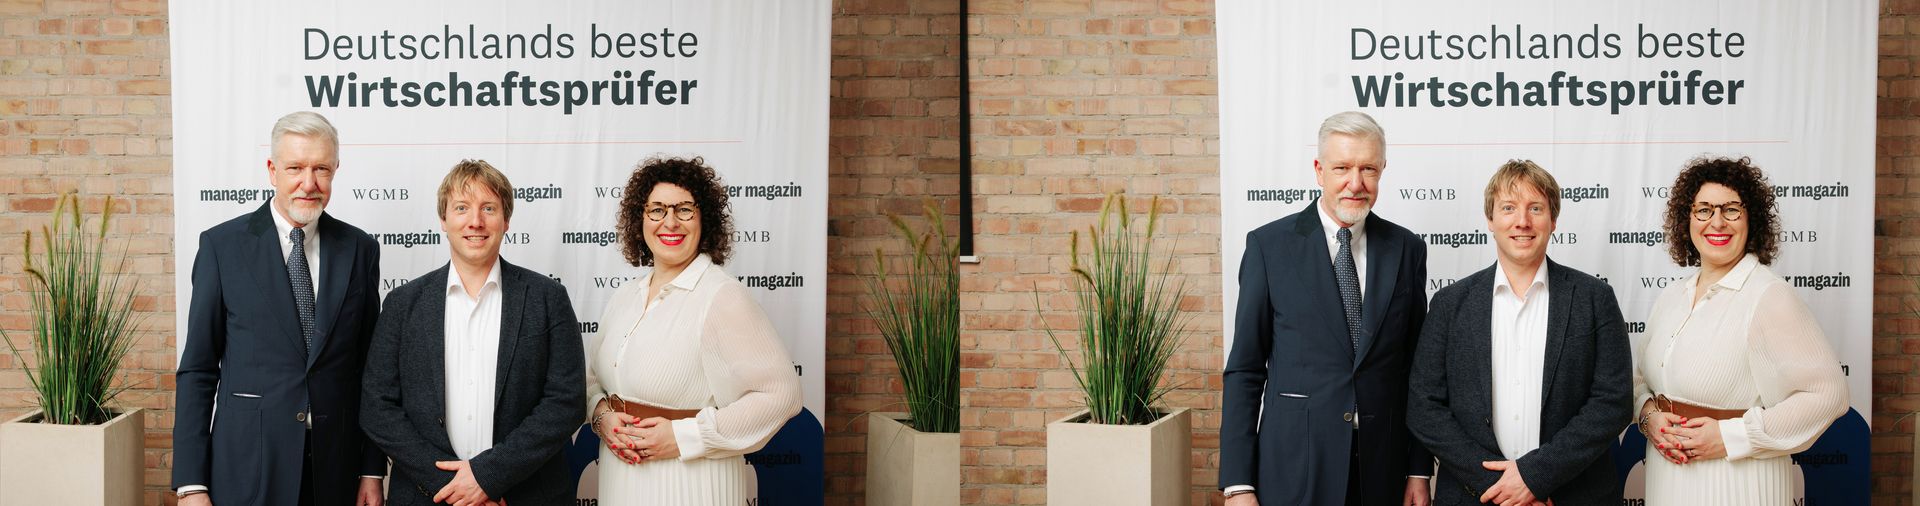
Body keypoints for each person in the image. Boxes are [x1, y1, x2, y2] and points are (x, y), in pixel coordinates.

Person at [173, 111, 386, 506]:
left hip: (333, 473)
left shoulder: (360, 250)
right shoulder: (222, 247)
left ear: (335, 171)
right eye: (295, 168)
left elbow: (370, 372)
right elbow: (198, 370)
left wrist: (371, 470)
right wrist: (191, 484)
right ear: (272, 171)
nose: (309, 183)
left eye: (321, 169)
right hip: (246, 471)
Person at [1221, 111, 1432, 506]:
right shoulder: (1269, 247)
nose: (1356, 183)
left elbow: (1417, 372)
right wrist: (1238, 484)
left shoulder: (1407, 250)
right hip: (1293, 471)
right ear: (1319, 171)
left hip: (1380, 473)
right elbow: (1245, 369)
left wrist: (1418, 470)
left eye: (1368, 169)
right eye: (1342, 168)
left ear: (1382, 170)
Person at [359, 160, 586, 506]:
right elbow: (377, 407)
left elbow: (566, 403)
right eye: (462, 208)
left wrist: (488, 477)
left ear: (506, 221)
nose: (475, 221)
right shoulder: (403, 304)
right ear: (444, 219)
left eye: (489, 208)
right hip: (428, 495)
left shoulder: (547, 298)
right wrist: (454, 487)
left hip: (525, 496)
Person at [1406, 160, 1633, 506]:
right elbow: (1424, 407)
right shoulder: (1450, 304)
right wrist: (1501, 486)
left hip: (1572, 496)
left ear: (1553, 220)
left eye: (1536, 208)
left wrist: (1535, 477)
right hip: (1475, 495)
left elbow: (1613, 402)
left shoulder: (1594, 298)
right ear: (1490, 219)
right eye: (1508, 208)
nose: (1522, 221)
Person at [585, 156, 803, 503]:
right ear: (640, 219)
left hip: (692, 482)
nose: (670, 222)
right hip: (621, 479)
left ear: (705, 219)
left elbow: (781, 395)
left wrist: (684, 437)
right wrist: (602, 417)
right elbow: (595, 380)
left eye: (684, 210)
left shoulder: (722, 296)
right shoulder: (624, 297)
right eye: (657, 210)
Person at [1634, 156, 1849, 504]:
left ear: (1752, 220)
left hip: (1739, 482)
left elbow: (1828, 395)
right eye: (1704, 210)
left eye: (1731, 210)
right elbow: (1642, 380)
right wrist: (1649, 417)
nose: (1717, 221)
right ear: (1687, 218)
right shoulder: (1671, 297)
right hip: (1667, 478)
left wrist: (1731, 437)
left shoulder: (1769, 296)